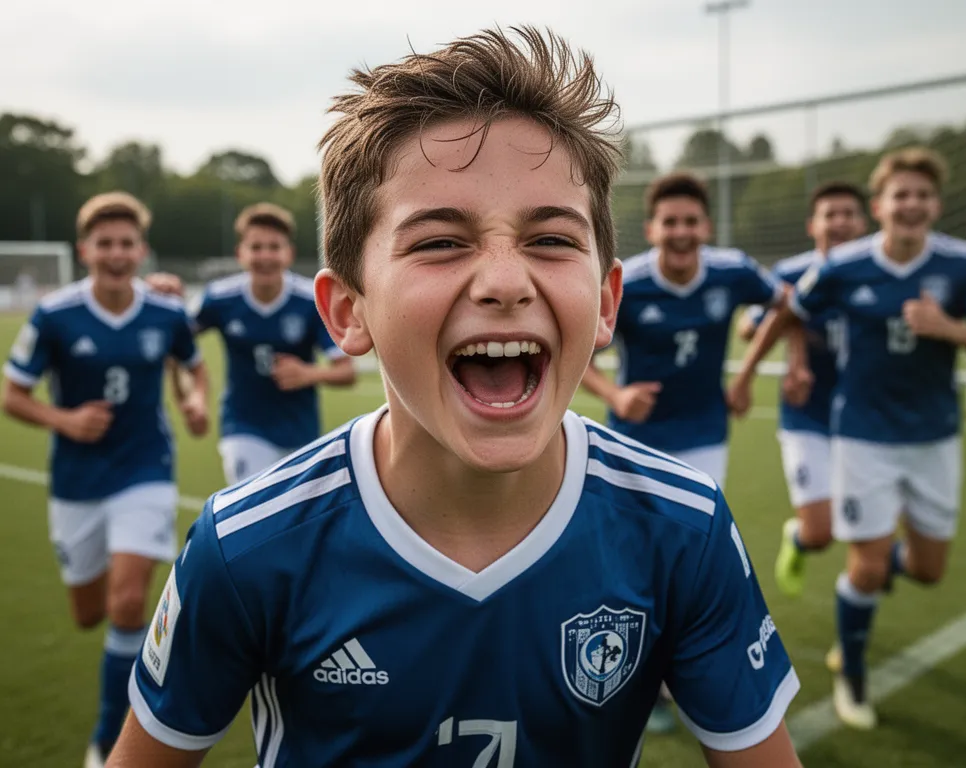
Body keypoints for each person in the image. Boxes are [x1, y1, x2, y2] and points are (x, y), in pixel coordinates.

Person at [110, 27, 802, 767]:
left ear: (606, 303)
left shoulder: (684, 531)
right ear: (348, 310)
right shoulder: (248, 545)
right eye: (440, 242)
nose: (505, 281)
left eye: (552, 240)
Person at [728, 147, 966, 730]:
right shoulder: (843, 266)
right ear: (879, 206)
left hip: (935, 436)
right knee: (865, 565)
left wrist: (946, 328)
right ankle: (851, 674)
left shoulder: (962, 265)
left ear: (937, 204)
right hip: (860, 435)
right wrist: (751, 371)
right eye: (899, 195)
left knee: (930, 570)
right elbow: (787, 311)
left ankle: (873, 570)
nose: (911, 205)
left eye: (922, 195)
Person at [1, 192, 209, 768]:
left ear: (141, 250)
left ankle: (104, 741)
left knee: (126, 602)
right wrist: (63, 418)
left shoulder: (166, 312)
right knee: (89, 612)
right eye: (105, 243)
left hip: (146, 470)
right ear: (84, 250)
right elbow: (12, 396)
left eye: (127, 243)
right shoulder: (54, 315)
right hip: (76, 481)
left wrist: (193, 402)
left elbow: (191, 366)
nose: (117, 254)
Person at [580, 172, 783, 491]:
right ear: (651, 230)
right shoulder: (627, 286)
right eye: (670, 222)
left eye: (691, 221)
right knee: (639, 538)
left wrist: (746, 377)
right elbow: (577, 353)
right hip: (635, 435)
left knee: (696, 535)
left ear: (707, 227)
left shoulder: (732, 272)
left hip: (705, 433)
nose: (681, 232)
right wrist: (616, 396)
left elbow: (785, 304)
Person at [735, 182, 869, 598]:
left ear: (863, 223)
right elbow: (747, 326)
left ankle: (854, 620)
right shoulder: (791, 274)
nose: (840, 222)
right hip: (805, 414)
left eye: (849, 214)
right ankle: (798, 537)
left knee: (867, 536)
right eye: (831, 214)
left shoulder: (876, 271)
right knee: (819, 533)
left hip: (866, 417)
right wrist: (794, 338)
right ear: (814, 225)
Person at [175, 203, 355, 484]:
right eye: (256, 247)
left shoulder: (310, 301)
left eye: (274, 247)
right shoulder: (220, 298)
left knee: (294, 523)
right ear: (240, 254)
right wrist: (190, 395)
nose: (265, 256)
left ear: (289, 254)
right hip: (242, 426)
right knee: (250, 505)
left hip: (300, 433)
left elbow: (346, 371)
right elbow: (173, 338)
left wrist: (308, 374)